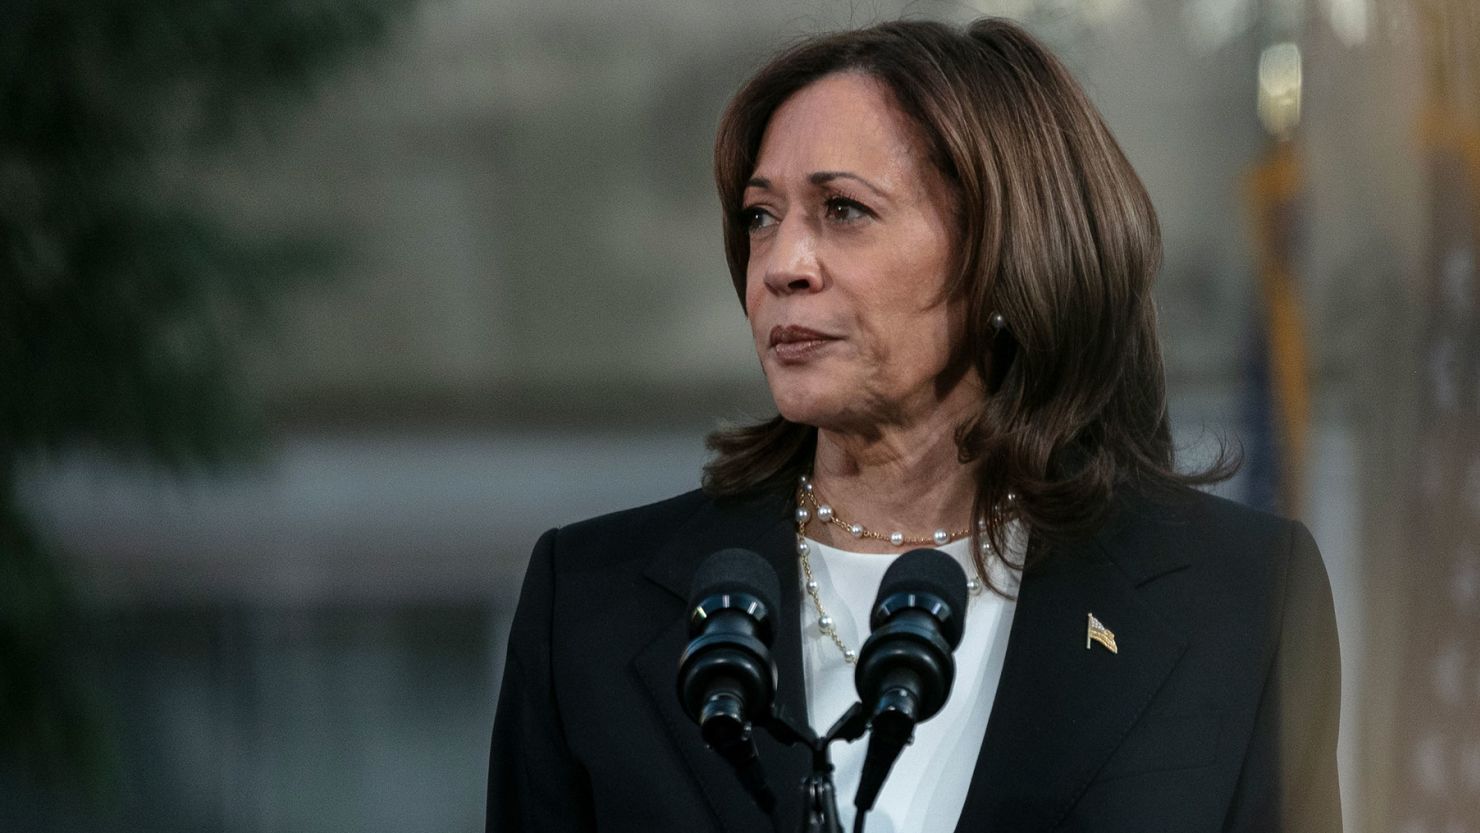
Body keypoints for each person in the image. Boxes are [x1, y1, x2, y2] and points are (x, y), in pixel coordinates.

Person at [487, 17, 1341, 833]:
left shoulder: (1236, 601)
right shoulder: (592, 602)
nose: (782, 264)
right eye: (760, 216)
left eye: (844, 211)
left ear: (1009, 254)